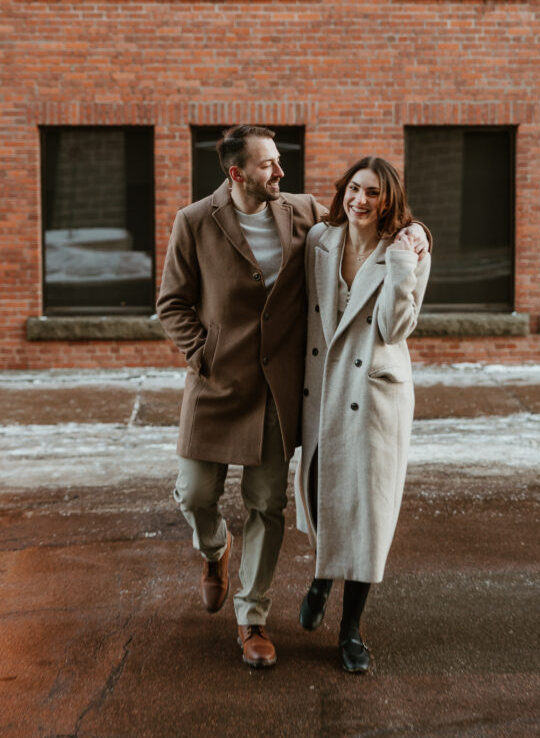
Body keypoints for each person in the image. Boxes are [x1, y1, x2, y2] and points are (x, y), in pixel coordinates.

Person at [157, 127, 428, 669]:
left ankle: (251, 618)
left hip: (279, 392)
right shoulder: (193, 222)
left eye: (279, 162)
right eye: (268, 166)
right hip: (215, 387)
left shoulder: (300, 212)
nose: (280, 173)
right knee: (193, 495)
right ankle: (214, 551)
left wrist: (416, 231)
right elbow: (171, 303)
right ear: (237, 174)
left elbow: (373, 214)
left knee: (267, 505)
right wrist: (202, 355)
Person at [295, 156, 431, 673]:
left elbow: (396, 328)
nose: (361, 200)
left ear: (388, 201)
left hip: (375, 394)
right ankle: (321, 578)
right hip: (325, 389)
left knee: (368, 510)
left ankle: (350, 630)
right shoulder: (319, 242)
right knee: (322, 494)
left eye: (373, 193)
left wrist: (403, 264)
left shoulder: (406, 251)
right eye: (354, 188)